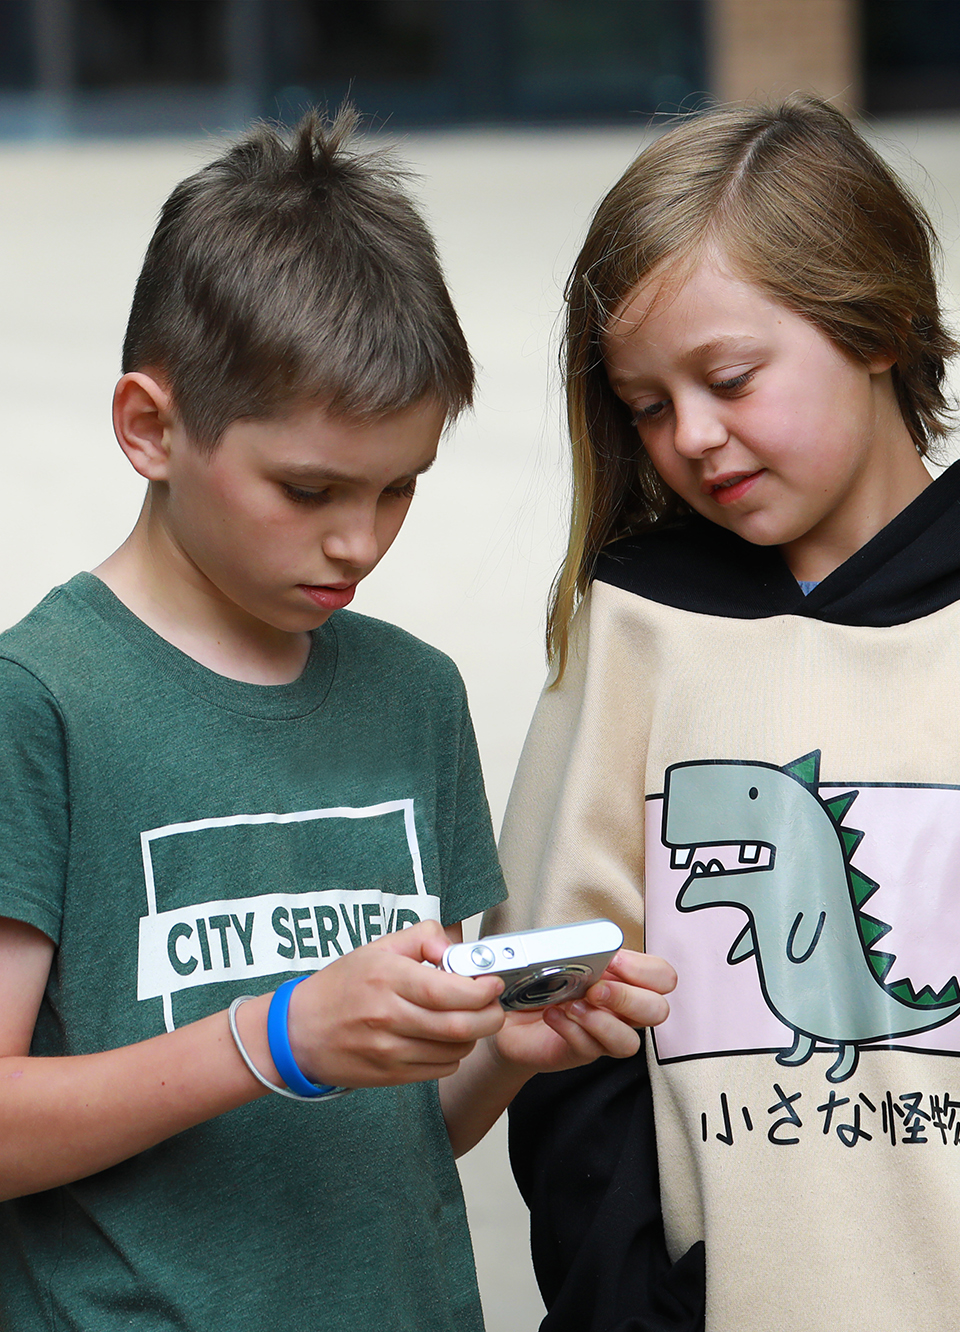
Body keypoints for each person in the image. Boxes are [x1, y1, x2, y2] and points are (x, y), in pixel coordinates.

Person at [0, 108, 674, 1332]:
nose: (359, 539)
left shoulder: (414, 696)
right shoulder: (37, 704)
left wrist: (502, 1054)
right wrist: (268, 1039)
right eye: (308, 489)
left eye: (399, 486)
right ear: (150, 428)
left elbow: (400, 1140)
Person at [488, 96, 960, 1332]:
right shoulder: (633, 623)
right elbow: (554, 1025)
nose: (690, 439)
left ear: (873, 324)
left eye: (725, 379)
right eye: (647, 406)